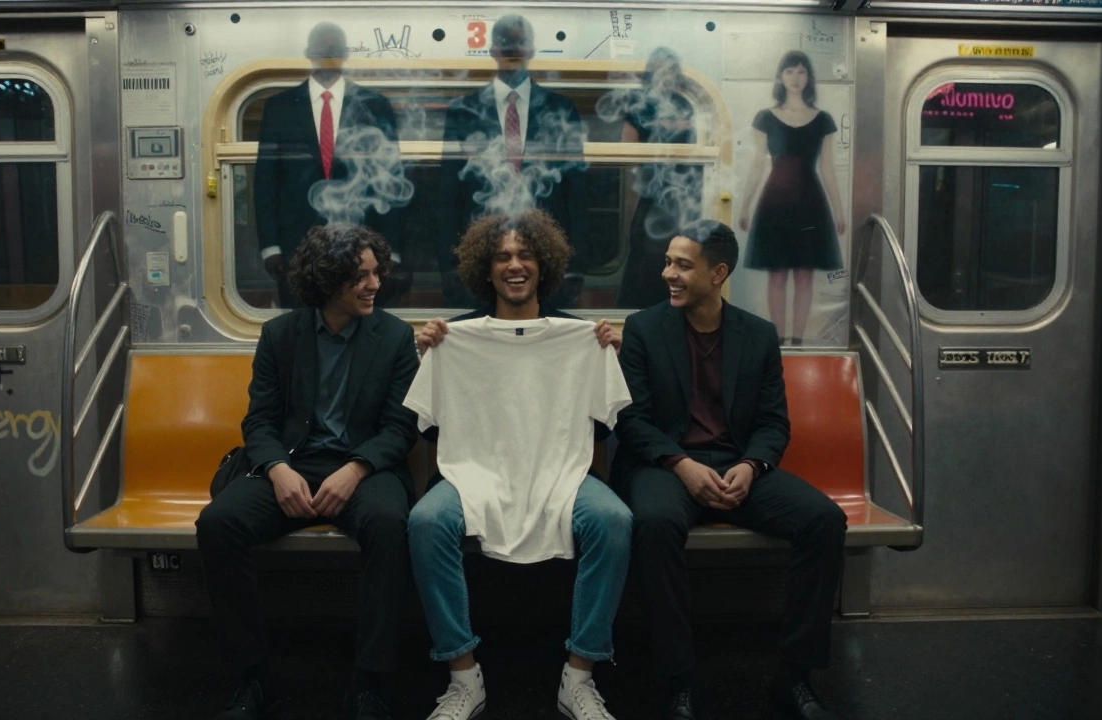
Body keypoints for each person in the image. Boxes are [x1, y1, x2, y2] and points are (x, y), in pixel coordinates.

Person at [613, 220, 848, 720]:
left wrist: (752, 465)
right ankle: (677, 678)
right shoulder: (643, 329)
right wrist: (681, 465)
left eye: (682, 265)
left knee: (824, 521)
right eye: (668, 262)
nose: (668, 274)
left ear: (717, 273)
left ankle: (794, 676)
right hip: (666, 464)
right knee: (655, 523)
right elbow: (632, 420)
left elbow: (773, 422)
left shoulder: (757, 335)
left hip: (734, 463)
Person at [408, 210, 631, 720]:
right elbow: (430, 428)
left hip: (561, 474)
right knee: (426, 523)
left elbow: (601, 429)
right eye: (502, 256)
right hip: (474, 474)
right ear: (485, 270)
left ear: (543, 264)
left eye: (525, 255)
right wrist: (428, 356)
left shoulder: (581, 336)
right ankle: (463, 677)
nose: (514, 265)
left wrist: (606, 358)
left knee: (613, 521)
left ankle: (580, 676)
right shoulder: (454, 336)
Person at [196, 224, 419, 720]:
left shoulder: (395, 338)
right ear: (328, 280)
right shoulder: (281, 336)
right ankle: (253, 678)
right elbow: (259, 420)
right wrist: (277, 468)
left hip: (363, 465)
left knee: (389, 524)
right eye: (360, 276)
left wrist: (356, 468)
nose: (375, 284)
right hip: (293, 462)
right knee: (218, 524)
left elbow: (400, 427)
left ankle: (371, 683)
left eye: (377, 272)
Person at [436, 14, 589, 308]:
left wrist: (577, 264)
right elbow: (448, 193)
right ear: (492, 50)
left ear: (532, 50)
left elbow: (577, 194)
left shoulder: (561, 108)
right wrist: (448, 262)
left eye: (520, 42)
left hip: (548, 254)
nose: (512, 48)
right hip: (480, 253)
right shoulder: (463, 110)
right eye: (505, 41)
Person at [254, 22, 409, 308]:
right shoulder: (280, 107)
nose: (327, 55)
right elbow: (266, 182)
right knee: (302, 323)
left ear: (345, 54)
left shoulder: (374, 105)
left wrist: (393, 250)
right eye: (321, 49)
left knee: (361, 321)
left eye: (334, 49)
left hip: (364, 245)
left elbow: (390, 180)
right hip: (296, 245)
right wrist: (270, 246)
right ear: (308, 53)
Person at [737, 50, 846, 346]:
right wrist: (745, 205)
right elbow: (757, 164)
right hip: (774, 201)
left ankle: (797, 340)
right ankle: (776, 339)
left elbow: (827, 168)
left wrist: (838, 211)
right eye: (789, 71)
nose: (796, 78)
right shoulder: (765, 118)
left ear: (808, 77)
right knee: (777, 275)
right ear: (780, 77)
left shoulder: (823, 120)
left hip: (811, 202)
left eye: (801, 71)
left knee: (804, 275)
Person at [613, 47, 703, 309]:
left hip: (686, 203)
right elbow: (628, 164)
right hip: (652, 201)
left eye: (670, 70)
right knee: (649, 267)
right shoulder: (638, 108)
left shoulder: (691, 107)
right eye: (659, 70)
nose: (665, 76)